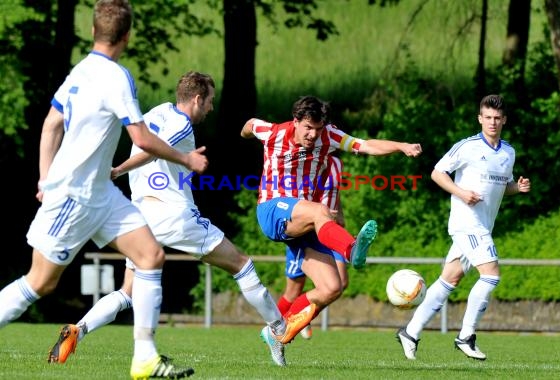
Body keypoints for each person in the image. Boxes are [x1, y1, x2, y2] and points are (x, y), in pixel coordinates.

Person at [0, 1, 203, 378]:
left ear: (94, 32)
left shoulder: (79, 72)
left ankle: (145, 359)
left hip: (102, 195)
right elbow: (141, 137)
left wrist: (43, 178)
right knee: (40, 283)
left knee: (150, 256)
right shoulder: (116, 77)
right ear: (126, 36)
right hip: (75, 196)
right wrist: (187, 159)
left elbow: (50, 125)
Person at [46, 71, 289, 367]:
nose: (211, 108)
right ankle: (278, 328)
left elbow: (142, 137)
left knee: (129, 291)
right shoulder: (182, 124)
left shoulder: (159, 112)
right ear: (197, 99)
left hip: (141, 216)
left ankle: (78, 330)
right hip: (173, 214)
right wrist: (118, 169)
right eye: (210, 101)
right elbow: (150, 149)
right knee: (242, 264)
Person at [241, 95, 423, 346]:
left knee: (331, 287)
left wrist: (401, 146)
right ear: (295, 122)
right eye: (307, 128)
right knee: (320, 211)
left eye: (317, 129)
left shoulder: (328, 136)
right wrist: (246, 133)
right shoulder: (274, 132)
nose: (313, 135)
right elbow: (250, 124)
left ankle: (278, 333)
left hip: (302, 222)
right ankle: (350, 248)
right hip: (272, 210)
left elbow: (365, 145)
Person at [396, 94, 531, 361]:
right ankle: (466, 336)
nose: (492, 122)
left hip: (483, 225)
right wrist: (461, 192)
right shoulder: (467, 147)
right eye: (487, 118)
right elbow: (437, 173)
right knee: (491, 274)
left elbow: (503, 187)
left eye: (497, 118)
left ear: (504, 120)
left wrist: (518, 188)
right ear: (480, 118)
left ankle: (410, 332)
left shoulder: (508, 153)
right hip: (466, 223)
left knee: (450, 279)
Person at [277, 156, 349, 340]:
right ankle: (276, 325)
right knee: (293, 291)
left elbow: (335, 194)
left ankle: (301, 317)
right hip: (308, 232)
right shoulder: (305, 162)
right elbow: (297, 200)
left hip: (331, 232)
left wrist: (339, 215)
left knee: (338, 284)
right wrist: (320, 213)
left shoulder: (336, 163)